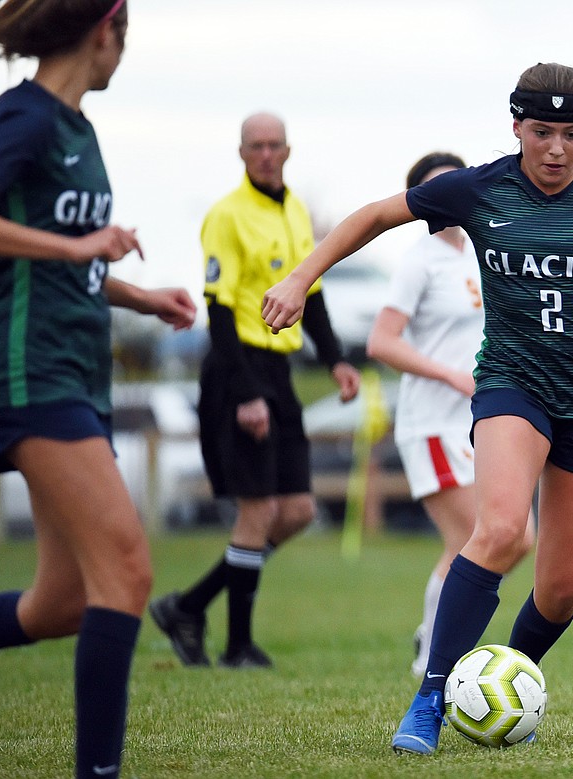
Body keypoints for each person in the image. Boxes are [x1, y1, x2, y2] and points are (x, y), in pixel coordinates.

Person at [263, 62, 573, 755]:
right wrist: (301, 275)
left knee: (562, 590)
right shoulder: (480, 186)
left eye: (571, 134)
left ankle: (499, 681)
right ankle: (430, 695)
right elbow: (372, 216)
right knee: (496, 530)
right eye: (542, 131)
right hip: (512, 386)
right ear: (516, 125)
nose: (555, 147)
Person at [0, 2, 198, 777]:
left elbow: (67, 258)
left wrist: (138, 295)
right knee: (125, 571)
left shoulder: (77, 130)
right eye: (126, 38)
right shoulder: (23, 114)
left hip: (77, 376)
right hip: (33, 373)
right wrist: (78, 244)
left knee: (59, 602)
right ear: (104, 30)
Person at [149, 112, 361, 670]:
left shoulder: (295, 210)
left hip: (281, 371)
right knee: (259, 507)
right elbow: (217, 312)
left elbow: (307, 294)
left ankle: (187, 605)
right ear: (241, 153)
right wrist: (245, 393)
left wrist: (336, 358)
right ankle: (238, 646)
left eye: (274, 145)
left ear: (288, 151)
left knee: (294, 510)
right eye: (255, 146)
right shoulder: (226, 216)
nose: (266, 154)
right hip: (236, 369)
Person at [366, 151, 535, 678]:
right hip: (433, 423)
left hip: (479, 420)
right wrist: (449, 374)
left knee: (510, 539)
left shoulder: (477, 252)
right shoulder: (420, 260)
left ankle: (436, 636)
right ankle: (436, 655)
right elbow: (381, 342)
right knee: (481, 539)